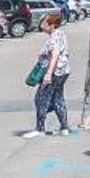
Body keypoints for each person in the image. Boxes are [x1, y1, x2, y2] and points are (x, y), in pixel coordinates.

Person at [25, 10, 73, 138]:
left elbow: (55, 55)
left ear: (51, 25)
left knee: (41, 98)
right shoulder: (60, 34)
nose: (42, 26)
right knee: (58, 98)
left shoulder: (54, 38)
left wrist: (48, 74)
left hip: (54, 72)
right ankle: (64, 127)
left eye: (44, 23)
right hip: (63, 71)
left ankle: (40, 129)